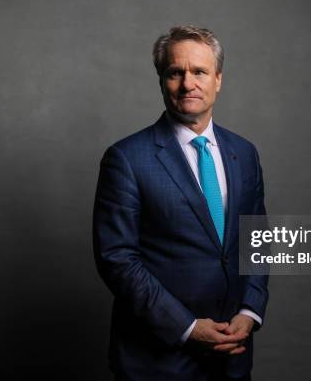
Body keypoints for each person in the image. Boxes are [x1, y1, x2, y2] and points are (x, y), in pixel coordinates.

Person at [93, 25, 269, 381]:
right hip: (158, 360)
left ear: (218, 79)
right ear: (162, 80)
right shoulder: (127, 158)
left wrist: (250, 311)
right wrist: (187, 327)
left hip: (231, 357)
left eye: (200, 72)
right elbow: (117, 259)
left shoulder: (244, 153)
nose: (188, 83)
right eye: (176, 72)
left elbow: (257, 240)